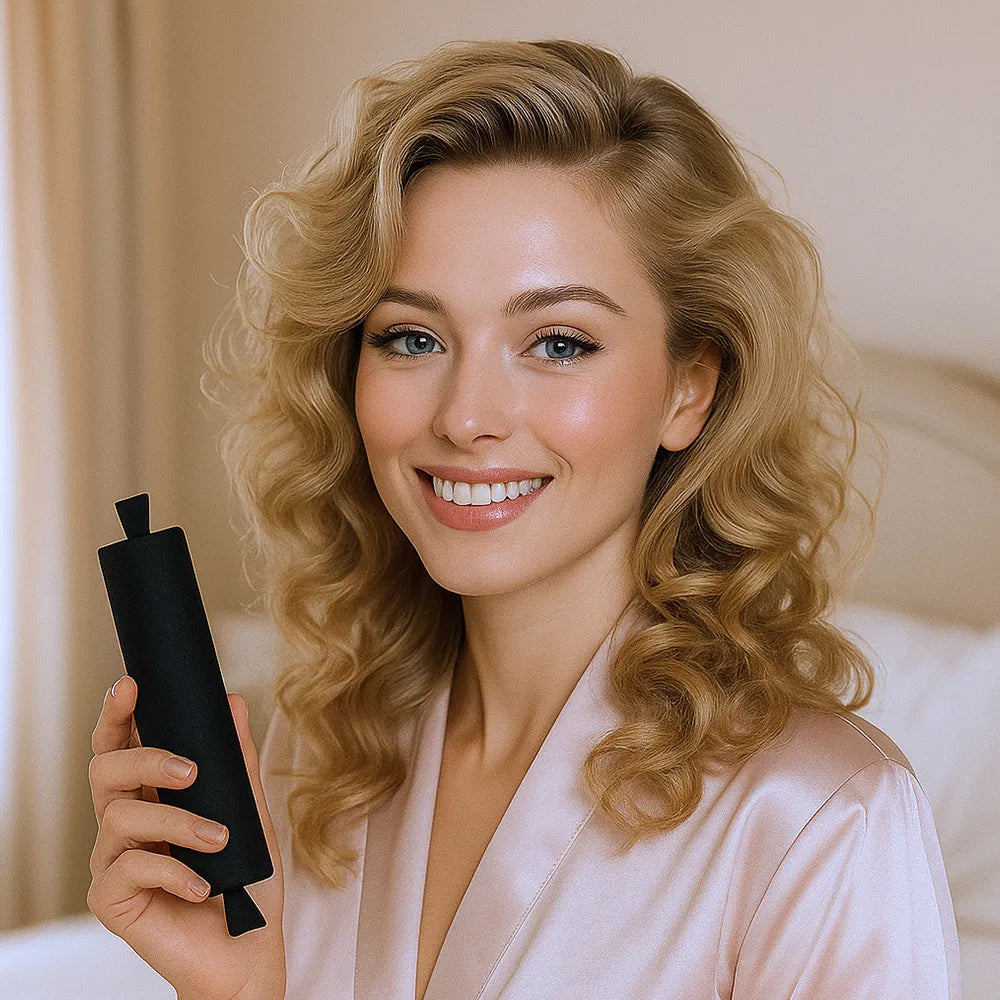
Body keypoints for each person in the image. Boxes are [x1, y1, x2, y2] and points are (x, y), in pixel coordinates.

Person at [87, 38, 962, 1000]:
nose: (466, 416)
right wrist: (237, 994)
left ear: (690, 386)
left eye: (557, 341)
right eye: (411, 337)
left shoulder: (820, 822)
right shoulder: (312, 766)